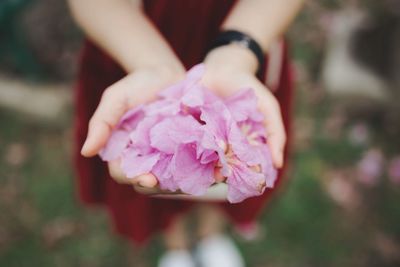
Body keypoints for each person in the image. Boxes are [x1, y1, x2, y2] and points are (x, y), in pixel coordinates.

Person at [68, 0, 304, 266]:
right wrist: (152, 65)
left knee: (221, 182)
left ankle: (210, 236)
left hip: (247, 34)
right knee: (162, 180)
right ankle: (176, 246)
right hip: (134, 41)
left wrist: (236, 50)